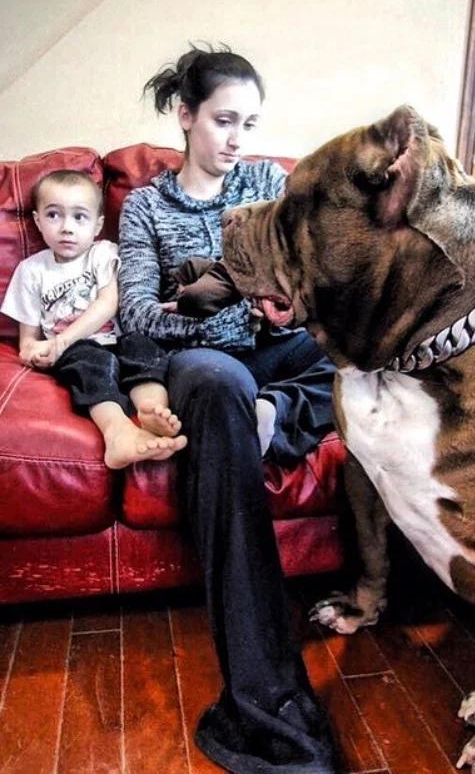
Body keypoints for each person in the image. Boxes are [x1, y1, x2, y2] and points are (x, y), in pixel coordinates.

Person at [117, 45, 338, 774]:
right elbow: (138, 315)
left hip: (274, 358)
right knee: (218, 386)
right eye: (223, 120)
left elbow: (302, 280)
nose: (237, 137)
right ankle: (264, 700)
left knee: (361, 349)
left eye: (249, 122)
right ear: (186, 116)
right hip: (204, 365)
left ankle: (274, 412)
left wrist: (284, 305)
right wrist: (226, 302)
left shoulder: (267, 183)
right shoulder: (147, 206)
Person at [0, 169, 187, 469]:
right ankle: (117, 432)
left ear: (98, 225)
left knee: (141, 345)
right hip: (76, 353)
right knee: (92, 362)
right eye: (53, 215)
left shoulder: (103, 253)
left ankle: (152, 412)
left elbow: (108, 303)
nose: (66, 228)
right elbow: (28, 341)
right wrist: (36, 352)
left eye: (79, 217)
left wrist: (61, 339)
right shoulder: (30, 271)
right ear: (37, 220)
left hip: (112, 339)